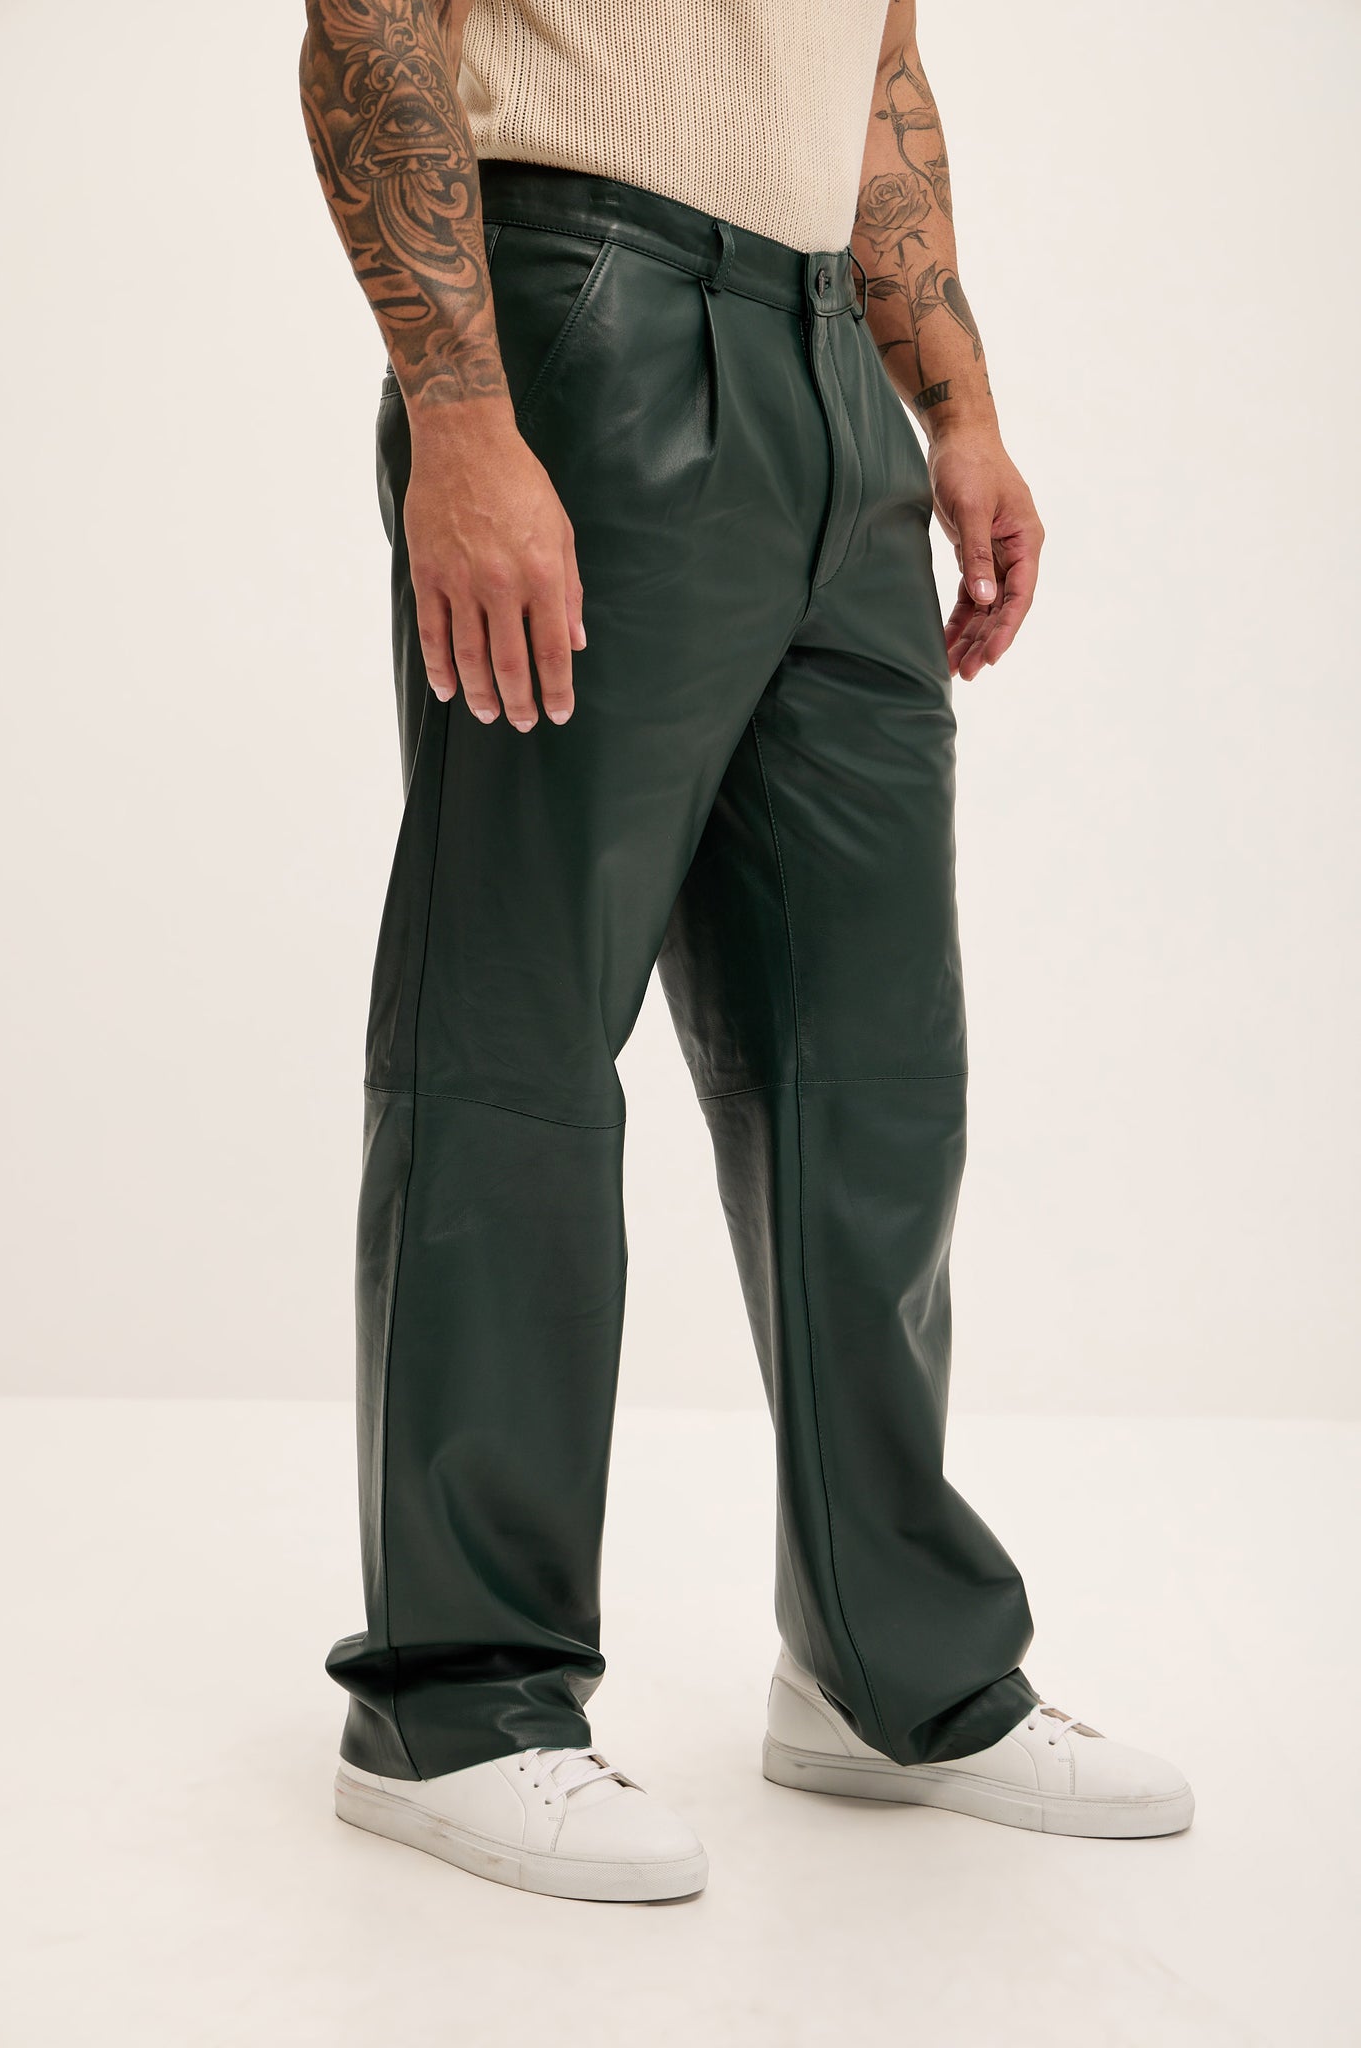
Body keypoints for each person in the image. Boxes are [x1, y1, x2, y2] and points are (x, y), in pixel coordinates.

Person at [298, 0, 1193, 1904]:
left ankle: (889, 1669)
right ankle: (459, 1699)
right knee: (518, 1031)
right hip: (581, 313)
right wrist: (463, 415)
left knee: (872, 1065)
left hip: (831, 365)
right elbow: (370, 23)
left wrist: (953, 408)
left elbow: (874, 70)